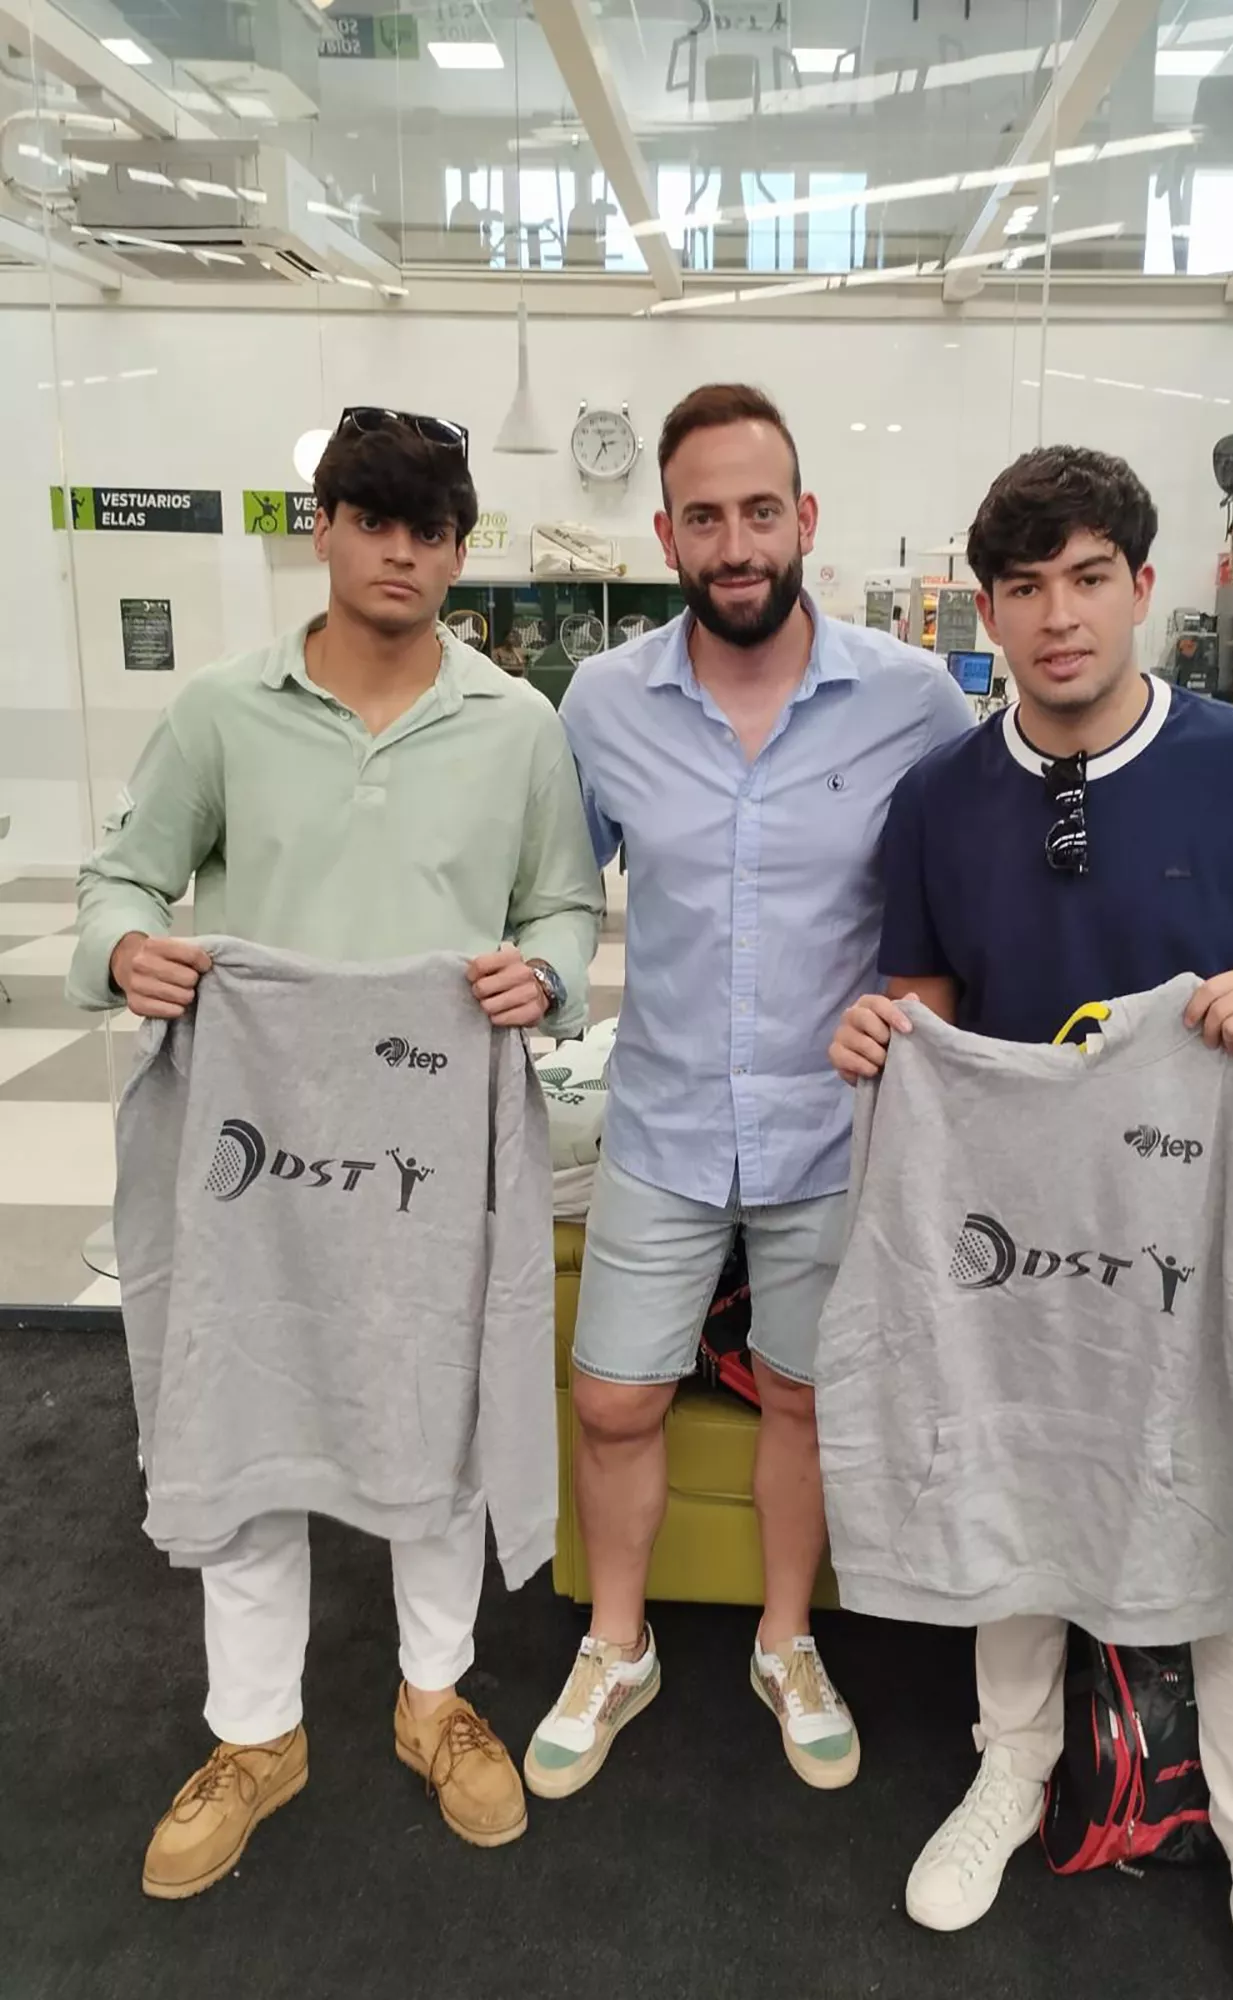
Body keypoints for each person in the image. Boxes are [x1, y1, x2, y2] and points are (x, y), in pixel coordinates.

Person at [829, 445, 1233, 1999]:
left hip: (1205, 1234)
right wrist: (883, 1030)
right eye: (1022, 588)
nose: (1057, 618)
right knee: (1015, 1484)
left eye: (1087, 580)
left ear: (1145, 586)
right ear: (984, 608)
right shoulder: (937, 798)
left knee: (1227, 1517)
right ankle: (1014, 1768)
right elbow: (927, 996)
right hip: (1009, 1234)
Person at [66, 406, 603, 1898]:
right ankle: (256, 1736)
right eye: (372, 519)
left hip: (432, 1152)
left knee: (432, 1417)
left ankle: (436, 1699)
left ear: (460, 548)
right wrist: (126, 954)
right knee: (245, 1410)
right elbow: (119, 878)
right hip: (256, 1148)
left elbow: (565, 909)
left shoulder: (515, 725)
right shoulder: (224, 711)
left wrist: (543, 978)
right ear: (324, 527)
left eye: (429, 529)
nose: (400, 552)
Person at [527, 383, 974, 1799]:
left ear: (807, 522)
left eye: (760, 510)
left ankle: (786, 1639)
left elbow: (962, 907)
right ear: (666, 532)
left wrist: (927, 1012)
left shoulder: (910, 701)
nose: (736, 542)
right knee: (611, 1403)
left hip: (831, 1135)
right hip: (657, 1120)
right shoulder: (601, 702)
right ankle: (619, 1643)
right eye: (706, 515)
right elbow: (550, 888)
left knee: (803, 1399)